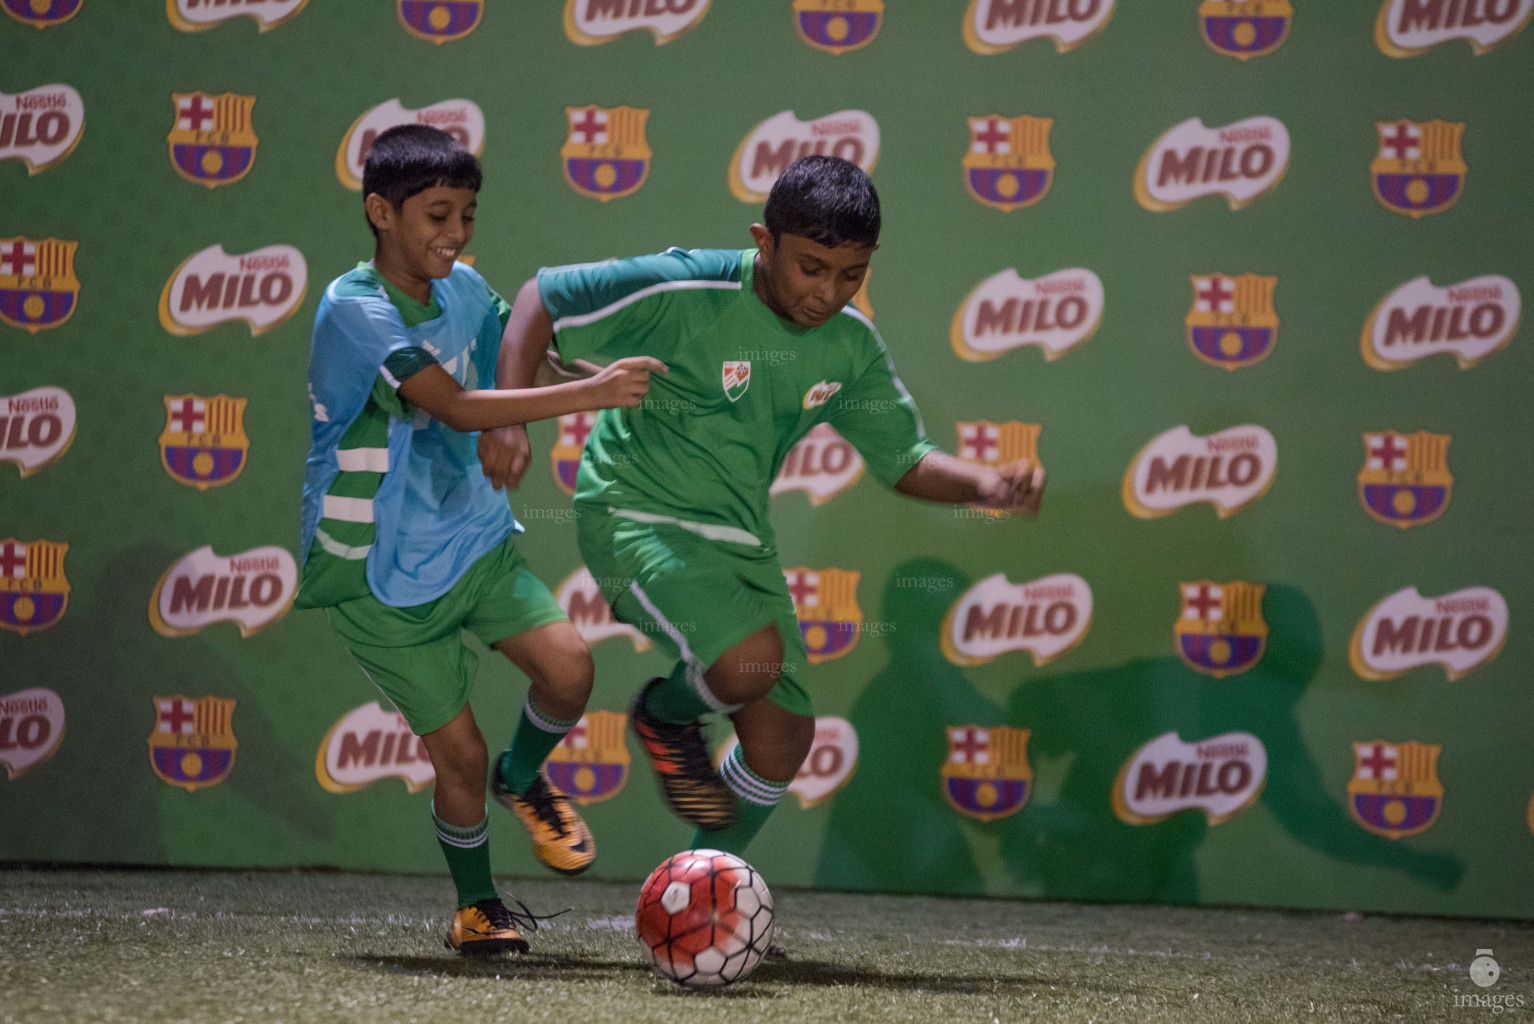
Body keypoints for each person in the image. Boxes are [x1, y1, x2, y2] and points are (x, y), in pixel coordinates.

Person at [483, 155, 1044, 859]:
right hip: (634, 510)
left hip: (740, 538)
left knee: (782, 737)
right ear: (764, 241)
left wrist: (985, 485)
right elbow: (539, 299)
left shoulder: (849, 347)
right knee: (752, 662)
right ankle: (664, 716)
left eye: (851, 275)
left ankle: (698, 898)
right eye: (811, 267)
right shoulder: (688, 284)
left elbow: (904, 460)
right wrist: (507, 421)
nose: (828, 293)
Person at [295, 124, 664, 954]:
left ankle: (524, 778)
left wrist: (596, 376)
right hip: (379, 576)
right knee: (456, 754)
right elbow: (455, 405)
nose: (455, 234)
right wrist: (593, 397)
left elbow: (517, 347)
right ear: (380, 213)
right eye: (436, 215)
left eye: (467, 214)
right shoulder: (352, 308)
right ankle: (478, 907)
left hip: (475, 538)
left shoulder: (463, 284)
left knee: (570, 671)